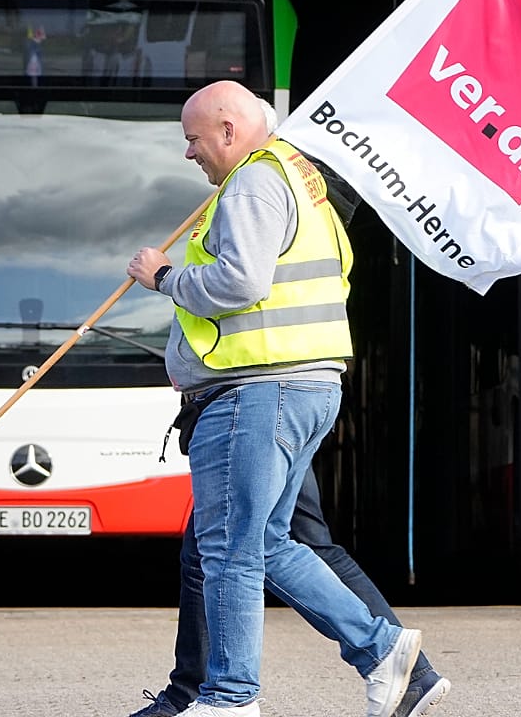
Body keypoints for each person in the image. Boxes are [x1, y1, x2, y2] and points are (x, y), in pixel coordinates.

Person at [127, 101, 451, 717]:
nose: (189, 152)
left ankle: (229, 698)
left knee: (229, 550)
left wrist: (165, 275)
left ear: (229, 130)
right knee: (269, 543)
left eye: (194, 139)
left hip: (255, 392)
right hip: (299, 388)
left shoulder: (253, 180)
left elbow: (240, 283)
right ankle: (383, 652)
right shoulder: (302, 181)